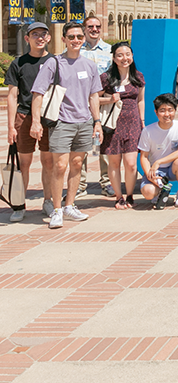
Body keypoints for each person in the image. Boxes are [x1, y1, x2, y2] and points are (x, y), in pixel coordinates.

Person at [30, 22, 103, 229]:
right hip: (62, 122)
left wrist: (97, 122)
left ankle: (70, 205)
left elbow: (93, 96)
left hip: (84, 122)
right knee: (59, 166)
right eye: (71, 37)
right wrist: (36, 122)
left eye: (79, 37)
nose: (76, 41)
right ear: (63, 39)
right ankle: (56, 209)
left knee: (77, 165)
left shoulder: (89, 65)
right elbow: (37, 93)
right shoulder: (54, 63)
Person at [4, 22, 55, 222]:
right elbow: (11, 96)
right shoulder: (19, 63)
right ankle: (19, 204)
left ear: (49, 38)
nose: (39, 38)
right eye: (35, 34)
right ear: (27, 39)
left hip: (48, 117)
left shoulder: (55, 62)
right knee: (23, 163)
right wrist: (10, 127)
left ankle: (48, 201)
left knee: (48, 162)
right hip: (24, 117)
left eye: (43, 34)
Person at [99, 42, 145, 210]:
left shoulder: (138, 76)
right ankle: (119, 197)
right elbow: (94, 99)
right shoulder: (105, 78)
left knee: (131, 163)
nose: (124, 58)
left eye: (127, 54)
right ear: (114, 58)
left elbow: (140, 100)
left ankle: (130, 194)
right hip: (112, 124)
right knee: (114, 162)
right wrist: (110, 99)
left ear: (132, 57)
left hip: (132, 122)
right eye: (120, 55)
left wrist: (142, 121)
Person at [78, 14, 114, 198]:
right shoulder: (77, 50)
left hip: (104, 104)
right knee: (82, 145)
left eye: (97, 26)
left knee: (105, 145)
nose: (94, 29)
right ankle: (80, 184)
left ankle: (107, 182)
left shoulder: (109, 51)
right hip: (81, 104)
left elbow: (114, 76)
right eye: (90, 26)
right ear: (85, 29)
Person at [138, 94, 178, 208]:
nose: (167, 114)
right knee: (148, 193)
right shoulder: (148, 130)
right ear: (156, 112)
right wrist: (149, 175)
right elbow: (143, 157)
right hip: (156, 170)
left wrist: (159, 162)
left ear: (175, 111)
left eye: (170, 110)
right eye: (162, 110)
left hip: (173, 167)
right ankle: (159, 192)